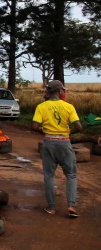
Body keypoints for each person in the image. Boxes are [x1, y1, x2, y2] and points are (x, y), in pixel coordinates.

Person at [32, 79, 82, 218]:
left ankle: (51, 207)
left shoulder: (41, 107)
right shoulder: (69, 107)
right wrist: (67, 133)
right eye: (63, 90)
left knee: (49, 175)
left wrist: (45, 131)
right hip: (64, 143)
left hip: (48, 142)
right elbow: (79, 127)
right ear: (60, 91)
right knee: (71, 175)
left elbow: (34, 127)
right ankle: (71, 205)